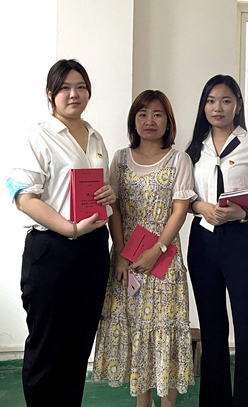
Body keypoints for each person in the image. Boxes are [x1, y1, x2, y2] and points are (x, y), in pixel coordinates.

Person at [5, 59, 116, 407]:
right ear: (51, 94)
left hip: (93, 249)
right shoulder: (39, 136)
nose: (74, 94)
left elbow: (95, 190)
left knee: (78, 347)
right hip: (52, 250)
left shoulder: (96, 137)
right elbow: (24, 198)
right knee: (47, 346)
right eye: (65, 88)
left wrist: (108, 195)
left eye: (81, 87)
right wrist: (69, 228)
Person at [93, 90, 196, 407]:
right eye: (142, 114)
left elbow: (179, 211)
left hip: (164, 262)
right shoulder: (120, 159)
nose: (150, 120)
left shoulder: (179, 160)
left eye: (157, 114)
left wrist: (158, 249)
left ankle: (168, 403)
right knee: (137, 329)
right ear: (133, 121)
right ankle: (143, 402)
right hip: (127, 261)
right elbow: (115, 208)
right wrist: (121, 254)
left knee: (165, 331)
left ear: (168, 122)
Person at [185, 74, 248, 407]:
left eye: (225, 100)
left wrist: (244, 213)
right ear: (203, 106)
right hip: (203, 244)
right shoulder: (194, 149)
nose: (217, 107)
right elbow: (186, 197)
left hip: (243, 243)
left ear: (237, 105)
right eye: (211, 101)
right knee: (212, 330)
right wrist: (201, 207)